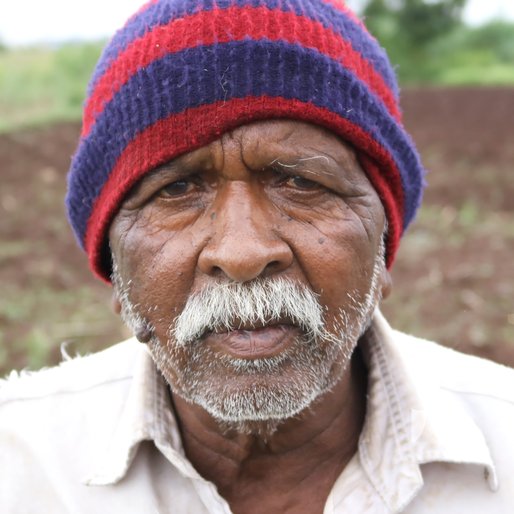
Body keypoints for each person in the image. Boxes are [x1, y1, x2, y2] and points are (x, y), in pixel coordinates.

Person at [1, 0, 513, 512]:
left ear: (382, 243)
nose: (242, 253)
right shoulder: (22, 466)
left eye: (301, 182)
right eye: (177, 189)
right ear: (114, 267)